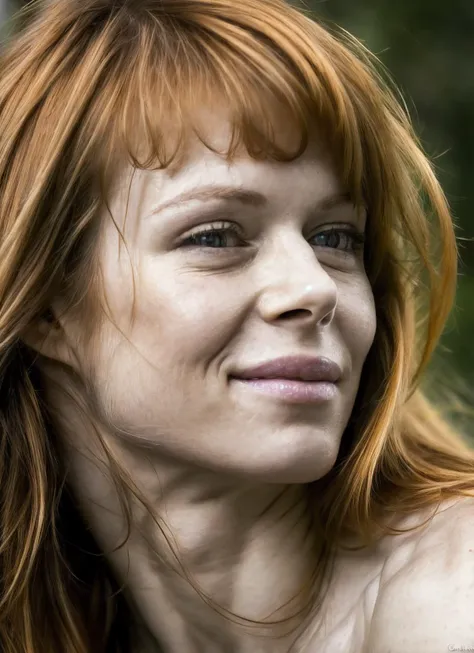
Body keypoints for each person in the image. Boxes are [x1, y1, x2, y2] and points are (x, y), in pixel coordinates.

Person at [0, 0, 473, 651]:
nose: (312, 287)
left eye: (336, 236)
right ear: (48, 303)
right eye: (218, 235)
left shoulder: (452, 595)